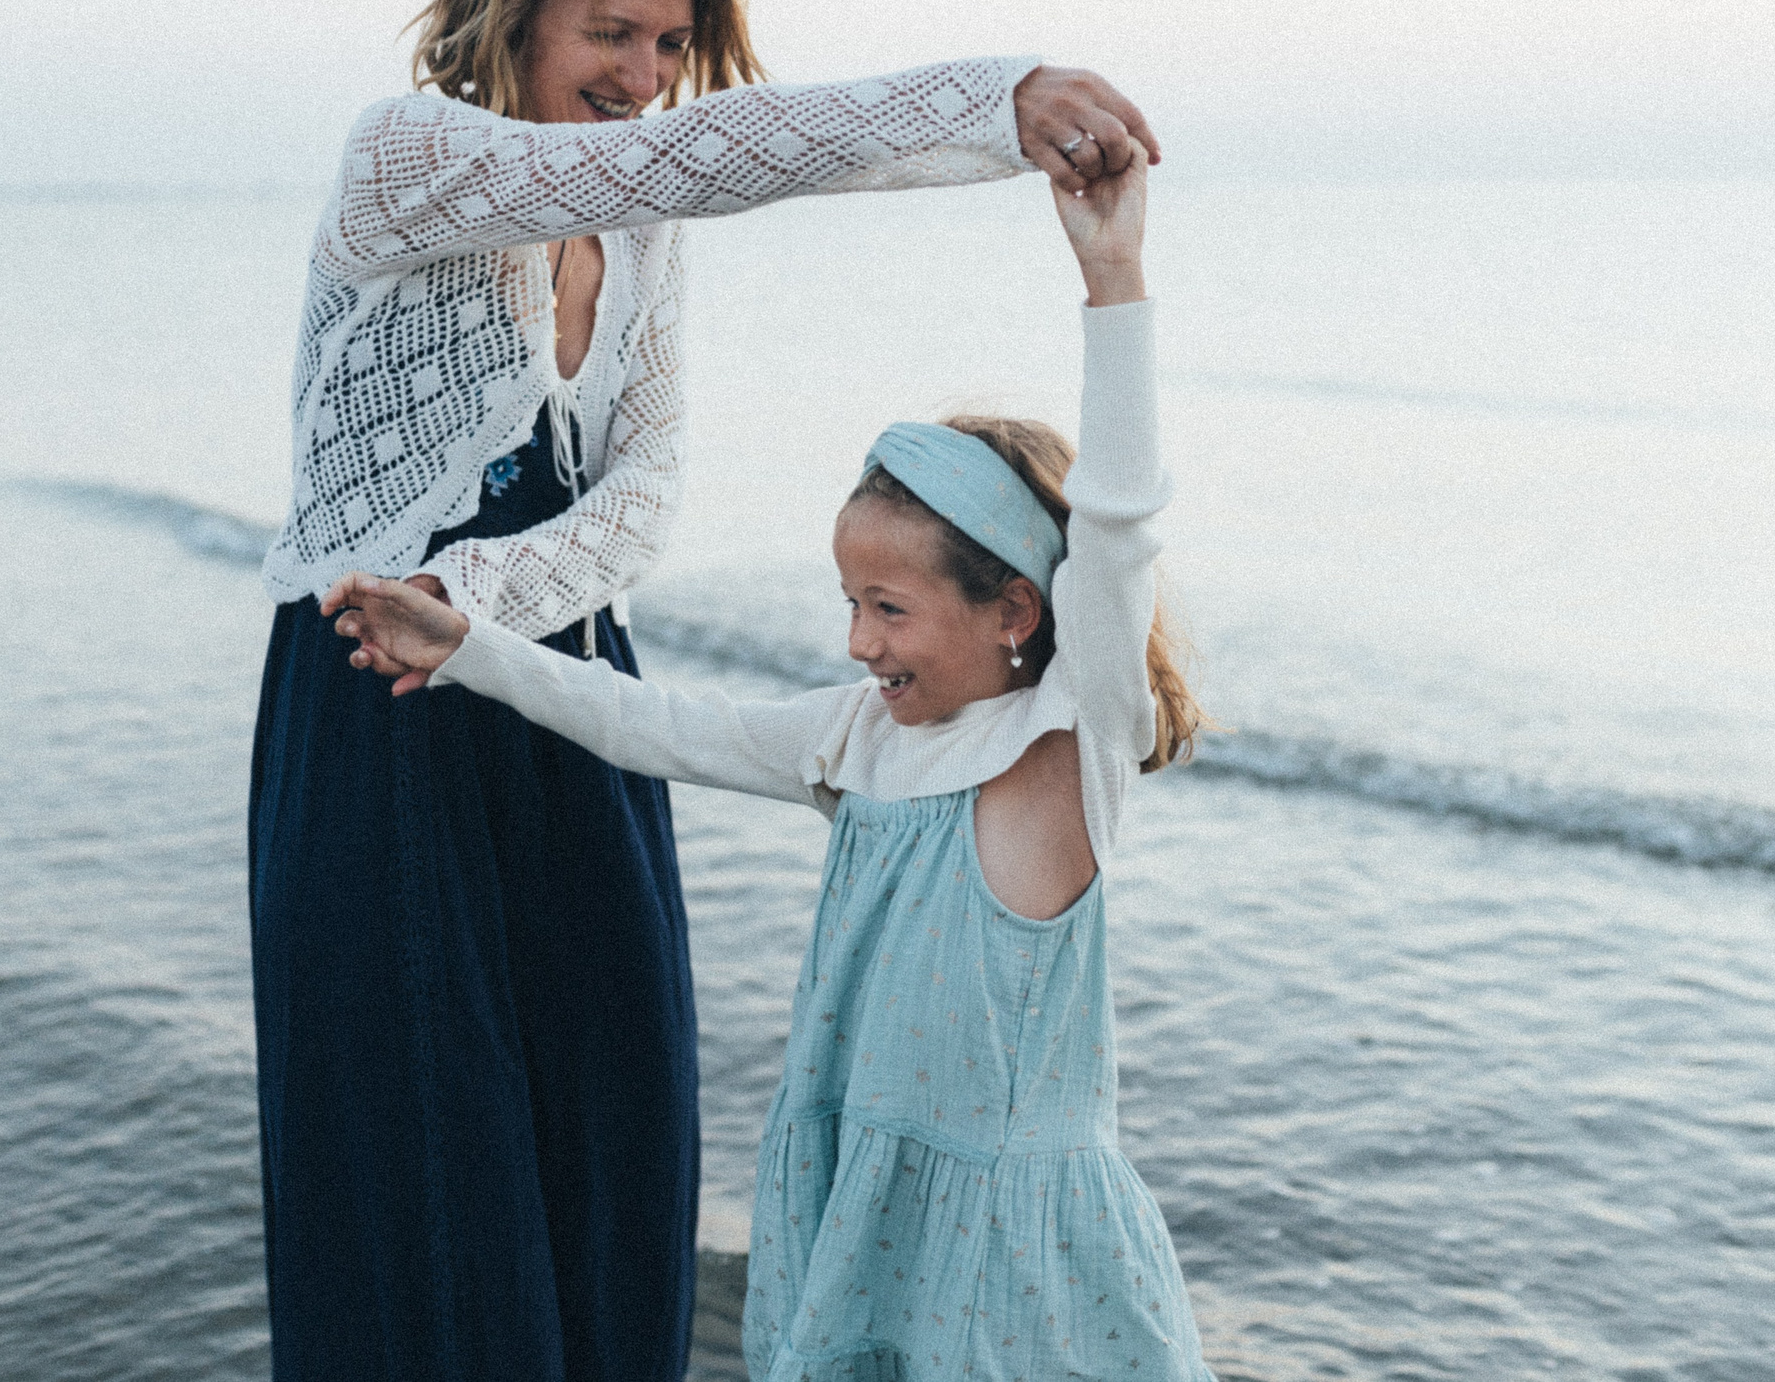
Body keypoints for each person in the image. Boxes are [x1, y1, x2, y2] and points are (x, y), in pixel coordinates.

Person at [246, 0, 1160, 1382]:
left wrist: (476, 603)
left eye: (670, 44)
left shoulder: (642, 227)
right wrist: (991, 101)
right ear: (515, 6)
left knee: (618, 1127)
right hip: (374, 712)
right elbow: (678, 156)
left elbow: (645, 494)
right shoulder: (404, 158)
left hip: (560, 692)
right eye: (612, 31)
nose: (644, 74)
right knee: (429, 1164)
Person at [325, 150, 1216, 1380]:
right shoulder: (857, 740)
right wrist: (469, 646)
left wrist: (1112, 275)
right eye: (851, 602)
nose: (858, 643)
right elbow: (652, 724)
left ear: (1015, 609)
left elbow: (1117, 525)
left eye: (890, 609)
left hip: (1013, 1247)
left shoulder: (1064, 755)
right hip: (860, 1205)